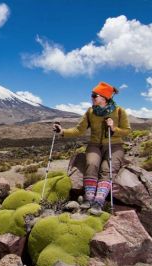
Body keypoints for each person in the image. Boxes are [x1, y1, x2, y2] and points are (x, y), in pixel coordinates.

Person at [54, 82, 131, 215]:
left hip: (115, 145)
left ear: (104, 97)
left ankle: (98, 201)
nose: (91, 97)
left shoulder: (119, 111)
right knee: (91, 164)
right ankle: (89, 199)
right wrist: (62, 132)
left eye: (94, 95)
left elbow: (127, 131)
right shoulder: (90, 112)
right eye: (92, 95)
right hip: (94, 145)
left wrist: (114, 128)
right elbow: (79, 130)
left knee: (107, 169)